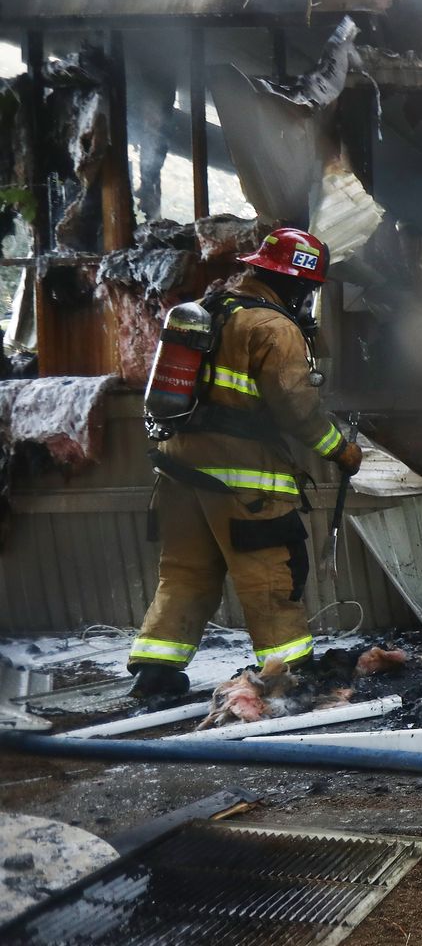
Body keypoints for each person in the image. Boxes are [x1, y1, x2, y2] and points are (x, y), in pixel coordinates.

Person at [128, 227, 362, 698]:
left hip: (177, 471)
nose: (309, 298)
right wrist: (342, 450)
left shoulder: (210, 311)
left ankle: (155, 673)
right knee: (271, 575)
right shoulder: (273, 328)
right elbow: (297, 409)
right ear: (294, 284)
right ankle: (286, 677)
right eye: (308, 288)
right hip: (242, 483)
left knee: (185, 572)